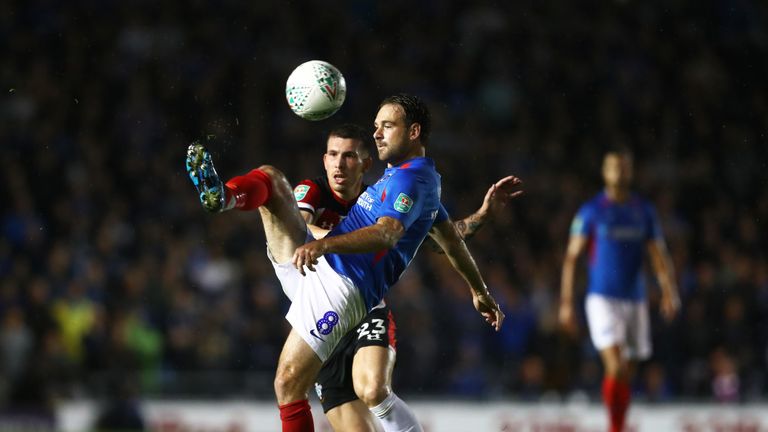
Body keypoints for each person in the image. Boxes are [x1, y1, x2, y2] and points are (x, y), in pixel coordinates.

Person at [186, 93, 505, 432]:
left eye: (387, 126)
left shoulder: (410, 181)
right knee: (273, 179)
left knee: (290, 383)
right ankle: (224, 196)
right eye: (376, 127)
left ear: (413, 132)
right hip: (319, 270)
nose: (378, 133)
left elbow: (387, 234)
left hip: (342, 284)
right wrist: (479, 290)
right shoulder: (410, 180)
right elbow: (452, 241)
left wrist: (325, 245)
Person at [293, 123, 522, 431]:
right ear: (324, 160)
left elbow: (440, 240)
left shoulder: (386, 195)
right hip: (321, 318)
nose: (339, 163)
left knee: (373, 389)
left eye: (348, 156)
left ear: (365, 163)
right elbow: (298, 235)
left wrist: (481, 216)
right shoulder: (312, 191)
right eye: (333, 155)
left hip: (366, 310)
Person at [558, 148, 680, 432]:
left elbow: (658, 254)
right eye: (614, 166)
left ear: (631, 171)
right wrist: (565, 303)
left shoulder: (643, 211)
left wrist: (669, 290)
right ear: (604, 171)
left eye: (624, 167)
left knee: (628, 370)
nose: (619, 172)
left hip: (635, 299)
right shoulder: (591, 211)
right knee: (616, 365)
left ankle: (619, 424)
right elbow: (572, 258)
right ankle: (615, 428)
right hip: (602, 298)